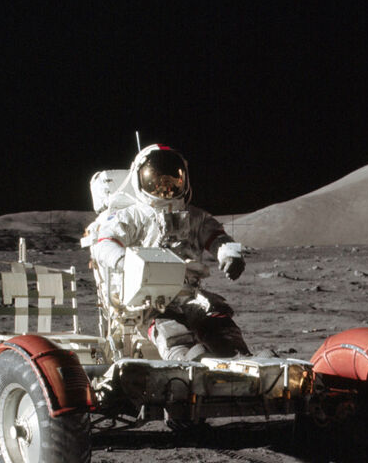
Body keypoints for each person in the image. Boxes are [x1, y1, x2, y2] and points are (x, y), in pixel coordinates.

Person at [89, 144, 250, 361]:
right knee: (171, 328)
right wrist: (123, 261)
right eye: (156, 181)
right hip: (147, 298)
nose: (164, 187)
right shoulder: (131, 216)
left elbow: (217, 237)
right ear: (139, 180)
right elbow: (105, 242)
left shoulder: (195, 217)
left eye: (172, 180)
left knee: (216, 317)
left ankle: (240, 357)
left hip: (187, 293)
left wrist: (229, 254)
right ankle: (183, 359)